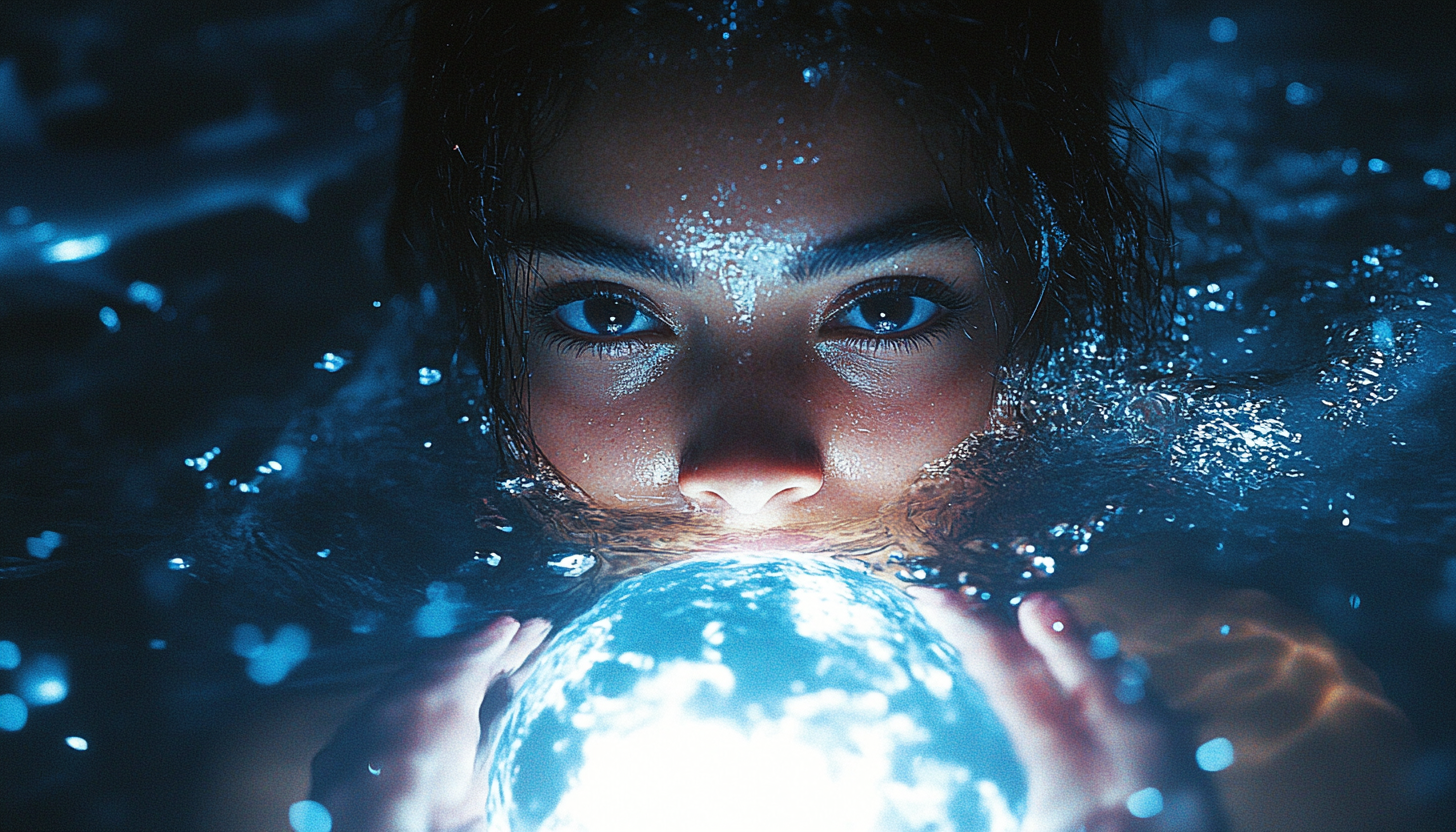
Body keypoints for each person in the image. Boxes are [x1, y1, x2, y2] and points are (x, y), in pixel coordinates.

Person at [209, 2, 1416, 830]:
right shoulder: (296, 791)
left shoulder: (1266, 730)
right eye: (605, 313)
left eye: (886, 307)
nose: (742, 465)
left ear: (1040, 313)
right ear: (484, 336)